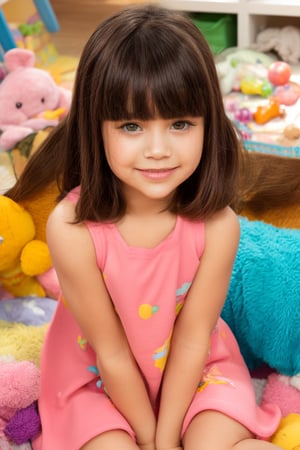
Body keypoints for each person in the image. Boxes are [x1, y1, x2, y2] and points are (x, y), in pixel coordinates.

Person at [6, 5, 282, 450]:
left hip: (198, 371)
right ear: (95, 130)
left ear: (208, 125)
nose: (158, 149)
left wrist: (169, 438)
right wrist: (150, 440)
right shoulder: (72, 228)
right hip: (95, 380)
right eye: (131, 125)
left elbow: (194, 342)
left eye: (180, 124)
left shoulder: (217, 225)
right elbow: (111, 354)